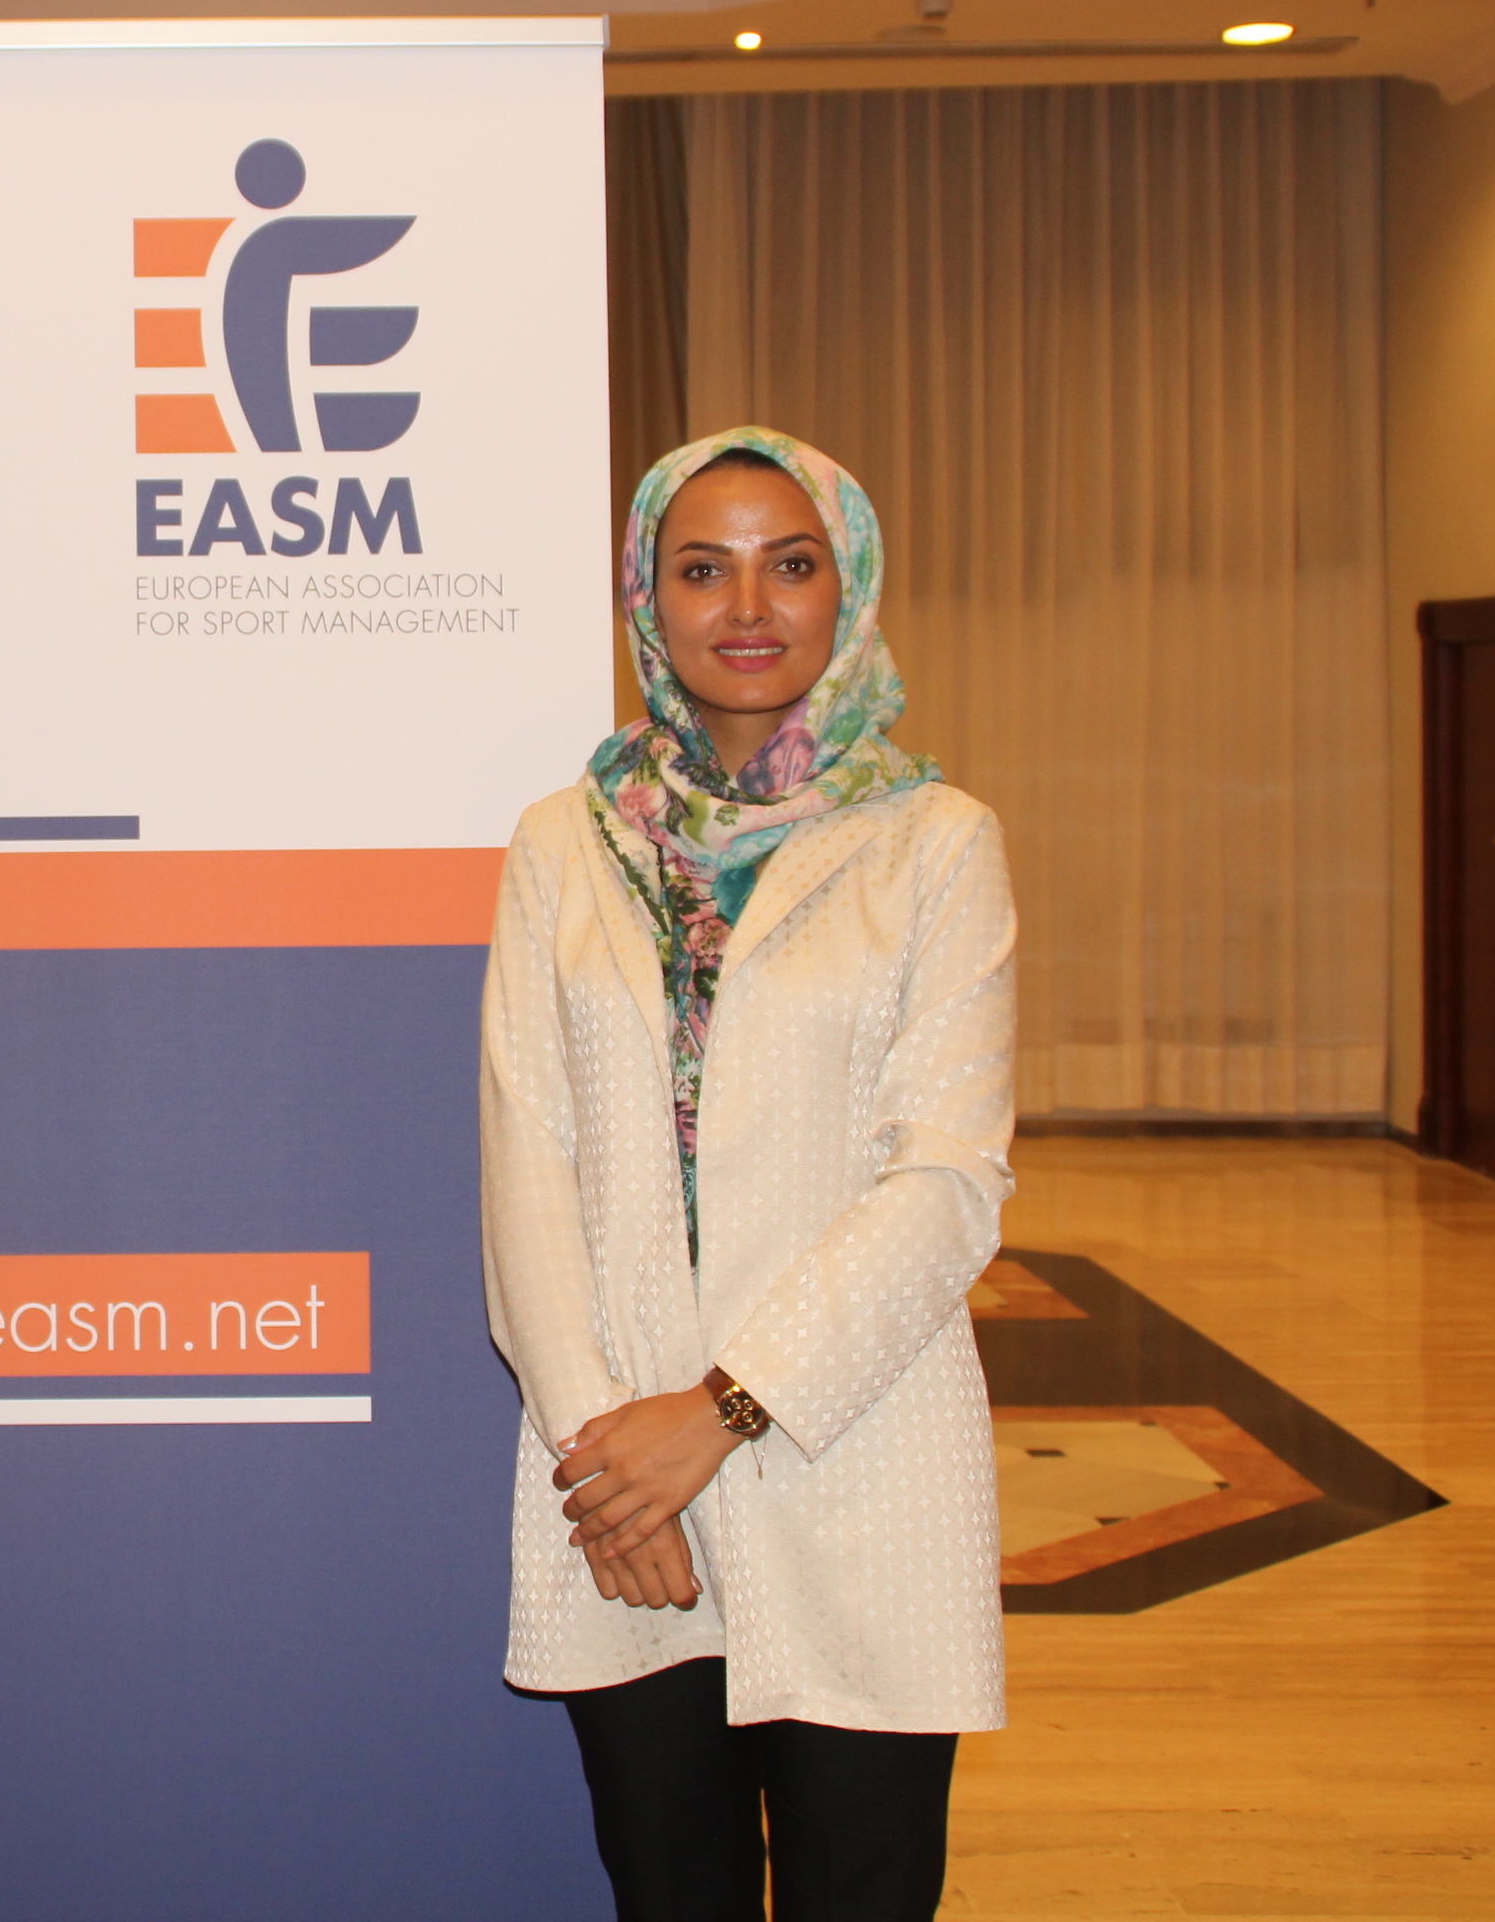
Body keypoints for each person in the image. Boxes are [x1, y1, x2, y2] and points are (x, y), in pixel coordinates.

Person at [479, 427, 1015, 1922]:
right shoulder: (563, 844)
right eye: (701, 569)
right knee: (672, 1893)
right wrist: (614, 1466)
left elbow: (948, 1179)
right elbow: (527, 1161)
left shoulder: (936, 842)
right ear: (646, 600)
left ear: (852, 588)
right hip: (618, 1495)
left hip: (859, 1460)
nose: (749, 605)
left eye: (791, 564)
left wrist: (721, 1414)